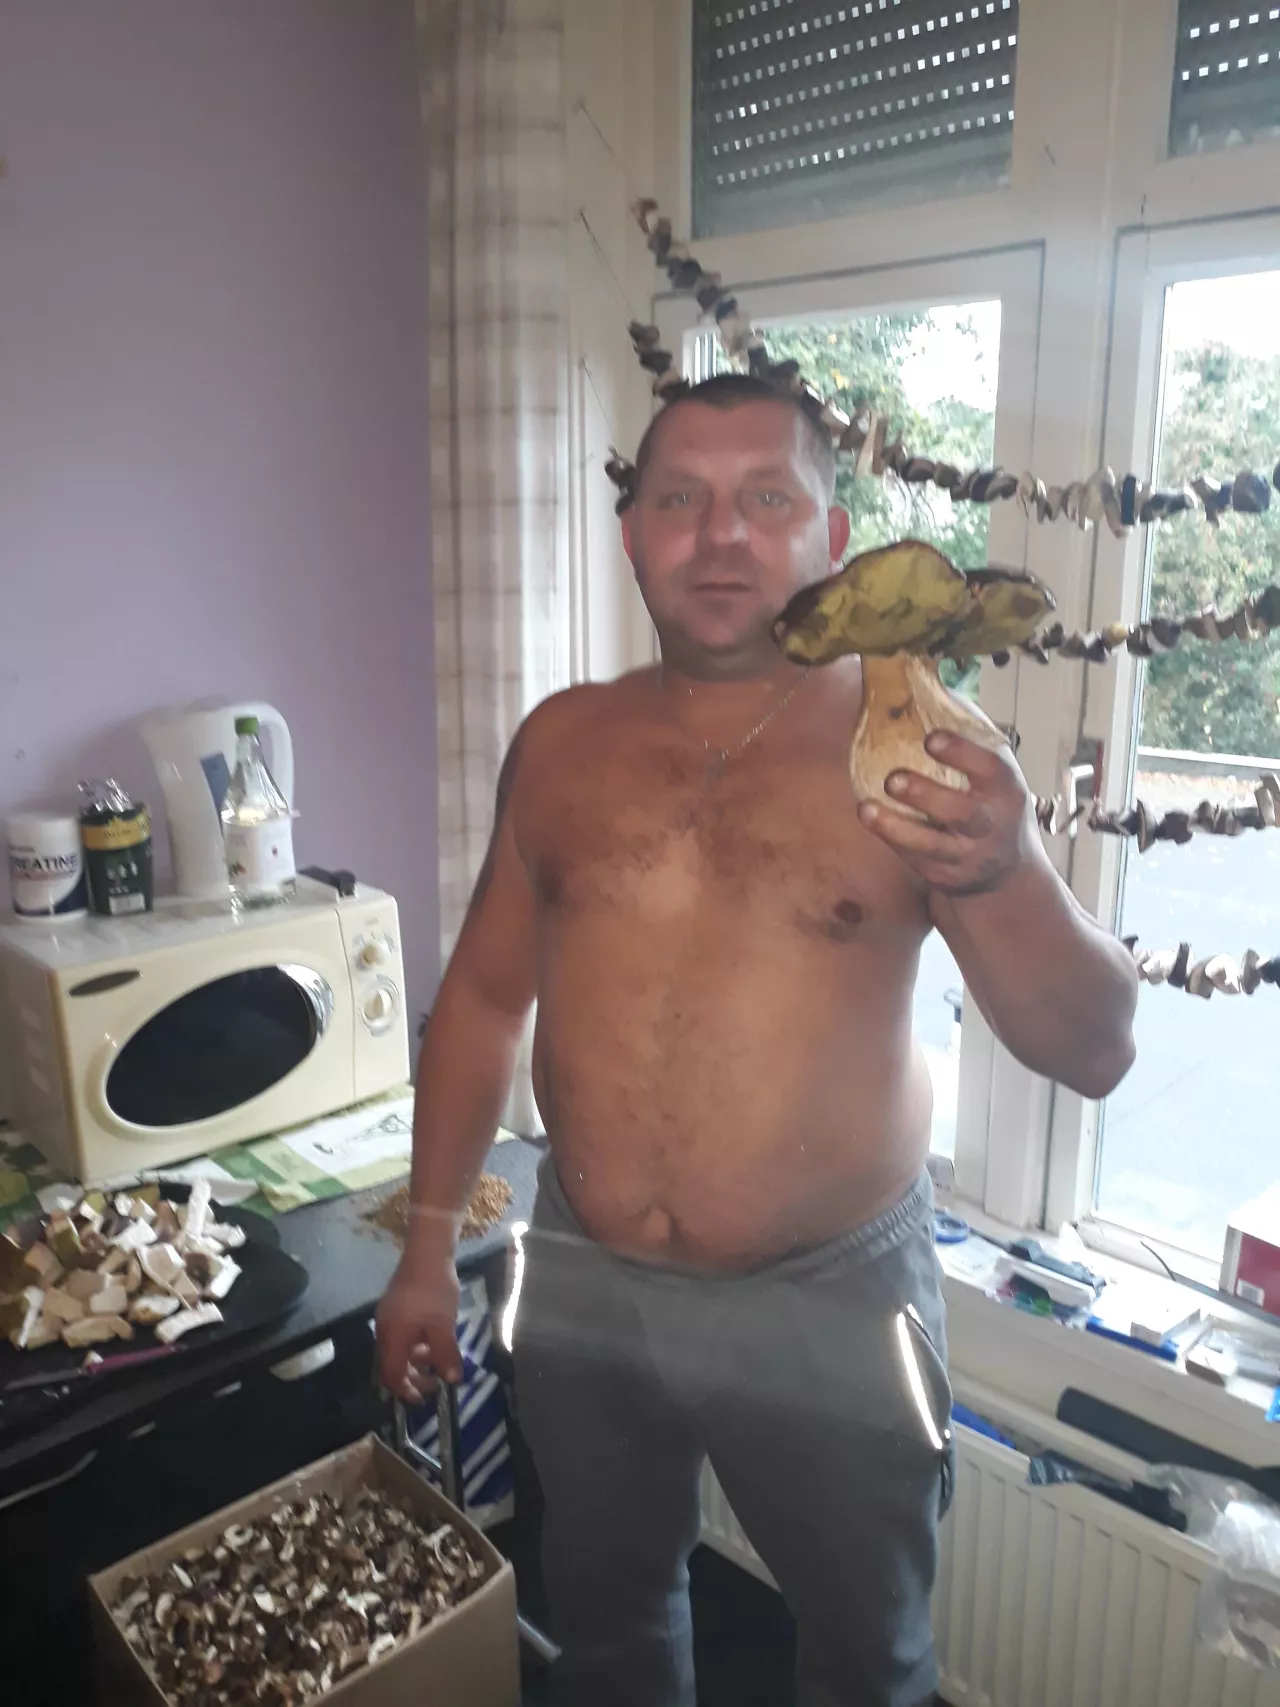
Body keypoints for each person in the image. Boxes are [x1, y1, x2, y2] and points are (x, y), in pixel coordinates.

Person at [377, 373, 1138, 1707]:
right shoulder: (560, 745)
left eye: (766, 498)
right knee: (608, 1625)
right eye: (681, 498)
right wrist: (429, 1245)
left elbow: (1095, 1049)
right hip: (583, 1274)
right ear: (632, 535)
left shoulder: (915, 754)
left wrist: (1009, 865)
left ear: (830, 542)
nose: (721, 534)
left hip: (832, 1304)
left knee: (865, 1658)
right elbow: (487, 1000)